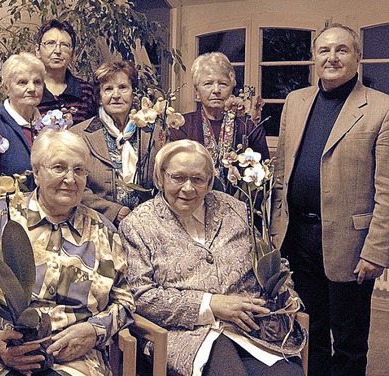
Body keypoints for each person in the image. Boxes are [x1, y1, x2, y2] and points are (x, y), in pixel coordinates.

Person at [0, 129, 135, 375]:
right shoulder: (0, 216)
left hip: (76, 359)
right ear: (37, 173)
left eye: (79, 170)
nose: (70, 179)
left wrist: (94, 331)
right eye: (59, 168)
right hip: (6, 353)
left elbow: (124, 301)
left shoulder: (103, 230)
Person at [121, 140, 305, 376]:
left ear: (209, 182)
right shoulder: (138, 225)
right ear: (161, 178)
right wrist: (209, 304)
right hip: (186, 335)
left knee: (289, 374)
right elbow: (140, 296)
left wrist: (287, 295)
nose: (188, 188)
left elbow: (271, 263)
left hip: (252, 327)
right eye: (178, 178)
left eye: (197, 179)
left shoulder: (235, 208)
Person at [271, 23, 389, 376]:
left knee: (350, 340)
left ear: (358, 56)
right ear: (314, 58)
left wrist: (376, 249)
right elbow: (281, 174)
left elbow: (387, 187)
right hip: (297, 239)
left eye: (341, 50)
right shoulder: (296, 101)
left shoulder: (381, 108)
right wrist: (276, 232)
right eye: (324, 50)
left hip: (351, 244)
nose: (332, 57)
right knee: (308, 331)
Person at [71, 61, 157, 225]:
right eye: (108, 89)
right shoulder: (78, 135)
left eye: (123, 87)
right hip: (95, 224)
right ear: (100, 97)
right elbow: (74, 184)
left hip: (147, 224)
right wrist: (113, 211)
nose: (116, 95)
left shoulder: (153, 133)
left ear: (133, 94)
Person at [169, 52, 269, 192]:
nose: (216, 90)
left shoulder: (248, 126)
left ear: (232, 87)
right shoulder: (183, 125)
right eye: (208, 84)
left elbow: (262, 177)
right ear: (197, 90)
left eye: (223, 84)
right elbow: (175, 176)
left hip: (241, 208)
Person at [0, 52, 45, 187]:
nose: (31, 88)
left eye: (37, 82)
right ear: (6, 88)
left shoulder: (49, 125)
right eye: (22, 82)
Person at [35, 18, 97, 123]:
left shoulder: (87, 91)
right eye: (50, 43)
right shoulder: (30, 90)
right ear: (38, 50)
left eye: (64, 45)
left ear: (72, 54)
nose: (57, 51)